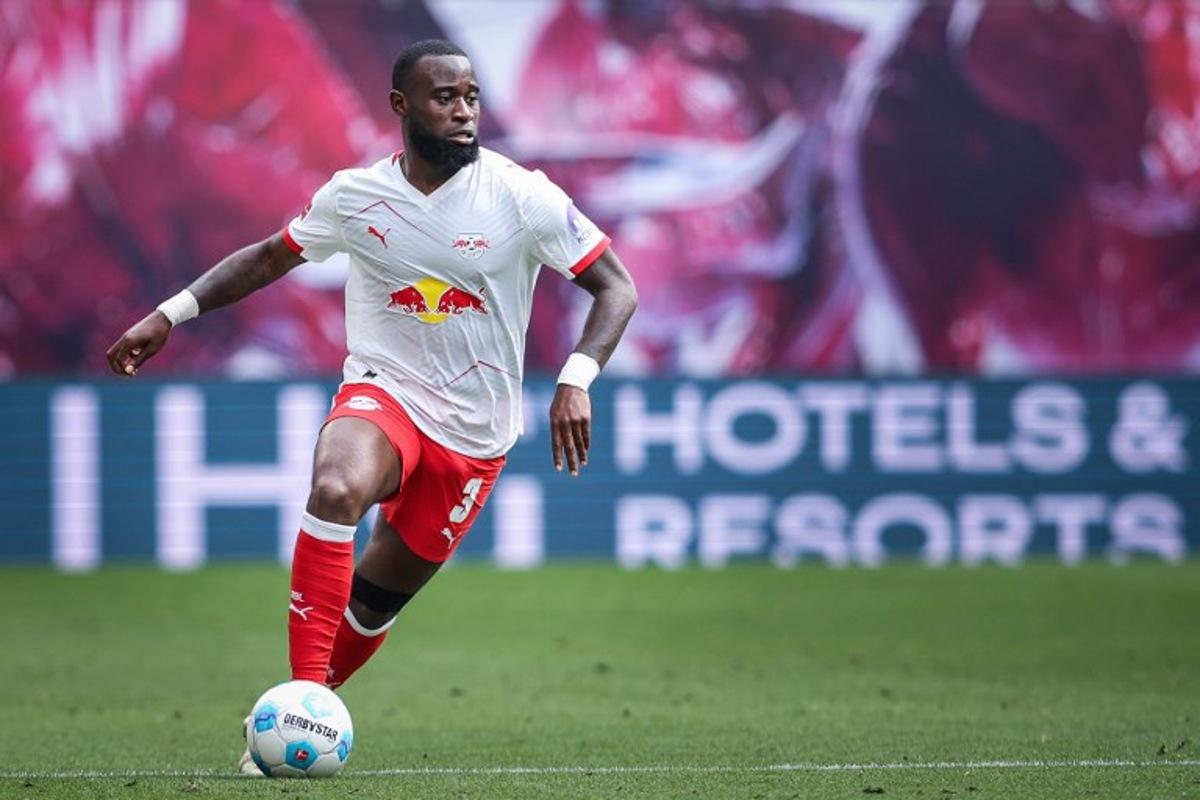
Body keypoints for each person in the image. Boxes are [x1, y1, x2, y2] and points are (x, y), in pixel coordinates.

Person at [104, 39, 638, 773]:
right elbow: (268, 257)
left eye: (471, 97)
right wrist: (170, 313)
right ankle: (298, 698)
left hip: (474, 437)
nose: (463, 111)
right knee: (335, 487)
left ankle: (289, 730)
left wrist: (576, 377)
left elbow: (616, 286)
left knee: (371, 607)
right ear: (401, 106)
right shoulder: (354, 197)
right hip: (384, 392)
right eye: (445, 97)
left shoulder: (523, 194)